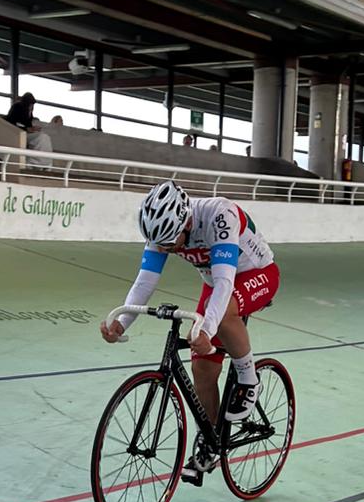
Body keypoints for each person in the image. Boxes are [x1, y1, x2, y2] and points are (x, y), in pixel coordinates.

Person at [100, 180, 279, 485]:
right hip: (217, 286)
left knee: (220, 316)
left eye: (173, 243)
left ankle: (249, 379)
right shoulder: (162, 229)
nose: (170, 249)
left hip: (257, 274)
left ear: (185, 220)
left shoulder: (219, 215)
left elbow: (225, 284)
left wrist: (207, 329)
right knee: (202, 370)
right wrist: (122, 322)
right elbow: (145, 282)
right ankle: (210, 444)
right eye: (163, 245)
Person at [5, 90, 53, 168]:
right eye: (30, 104)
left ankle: (43, 162)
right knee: (42, 138)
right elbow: (11, 122)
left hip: (26, 133)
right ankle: (36, 162)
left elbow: (28, 124)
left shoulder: (29, 111)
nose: (31, 106)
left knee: (45, 137)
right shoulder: (16, 107)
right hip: (18, 133)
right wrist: (27, 129)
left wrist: (33, 128)